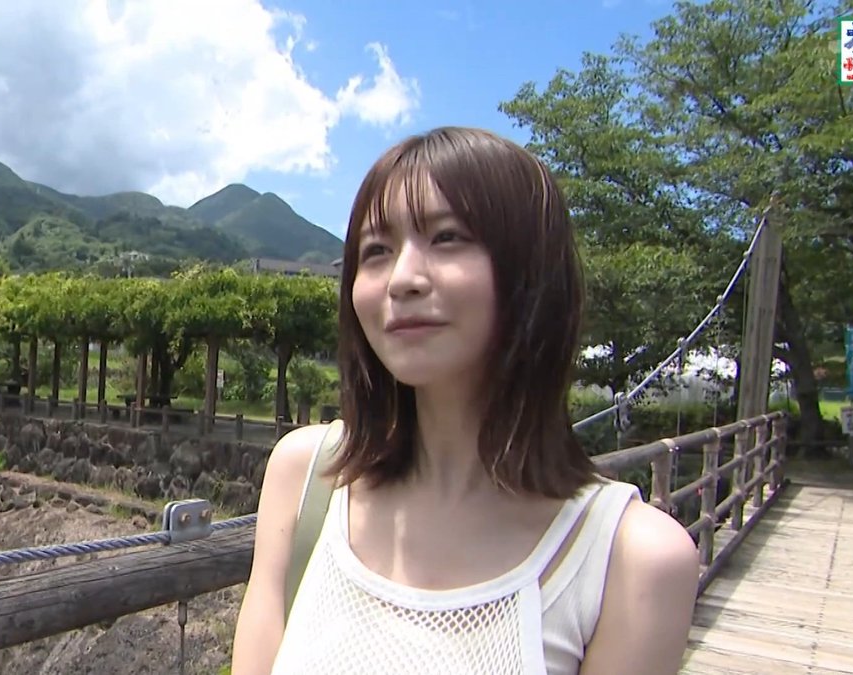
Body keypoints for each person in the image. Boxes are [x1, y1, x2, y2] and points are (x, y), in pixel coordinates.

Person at [230, 127, 699, 674]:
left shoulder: (631, 559)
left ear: (533, 273)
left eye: (448, 237)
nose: (402, 279)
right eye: (376, 251)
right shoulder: (307, 476)